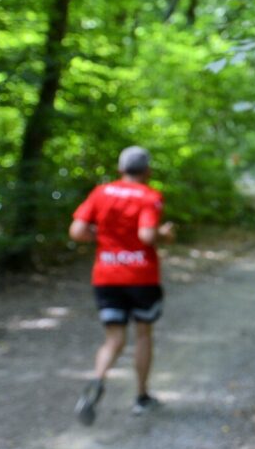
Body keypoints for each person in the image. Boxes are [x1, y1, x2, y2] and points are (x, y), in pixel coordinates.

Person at [68, 146, 175, 425]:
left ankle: (97, 380)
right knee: (143, 334)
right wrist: (164, 235)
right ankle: (141, 397)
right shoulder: (149, 196)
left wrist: (102, 236)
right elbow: (147, 235)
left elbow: (77, 231)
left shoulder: (101, 192)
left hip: (106, 276)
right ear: (148, 171)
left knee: (113, 339)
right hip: (141, 277)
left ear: (120, 169)